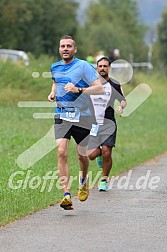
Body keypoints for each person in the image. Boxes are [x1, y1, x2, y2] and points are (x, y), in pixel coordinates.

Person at [48, 35, 104, 210]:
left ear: (75, 49)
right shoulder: (54, 67)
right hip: (62, 115)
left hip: (82, 117)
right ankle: (66, 194)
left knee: (82, 155)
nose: (65, 48)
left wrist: (79, 89)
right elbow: (56, 82)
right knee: (61, 151)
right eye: (62, 46)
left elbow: (99, 88)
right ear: (59, 49)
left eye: (69, 46)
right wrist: (52, 93)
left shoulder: (83, 66)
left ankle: (83, 180)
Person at [88, 56, 127, 191]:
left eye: (105, 66)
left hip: (108, 123)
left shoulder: (115, 84)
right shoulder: (90, 83)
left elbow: (123, 100)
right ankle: (99, 155)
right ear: (97, 68)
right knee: (91, 155)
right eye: (100, 66)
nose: (103, 68)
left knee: (106, 152)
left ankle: (104, 180)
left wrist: (121, 107)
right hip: (93, 124)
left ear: (109, 68)